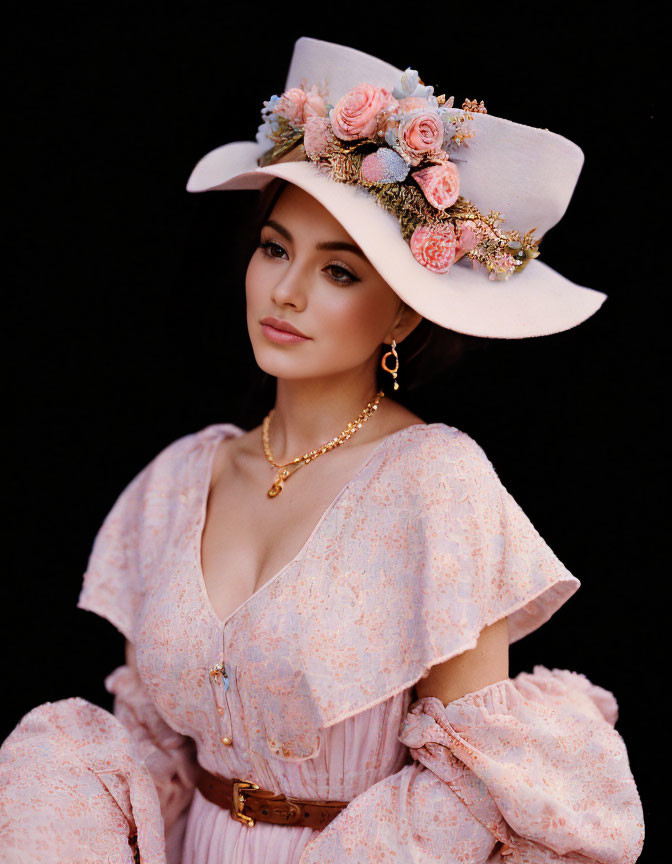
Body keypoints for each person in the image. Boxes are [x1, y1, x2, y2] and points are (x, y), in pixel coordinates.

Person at [0, 36, 645, 864]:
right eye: (276, 248)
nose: (288, 290)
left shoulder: (433, 482)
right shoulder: (183, 478)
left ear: (404, 314)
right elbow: (153, 749)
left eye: (340, 272)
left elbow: (467, 783)